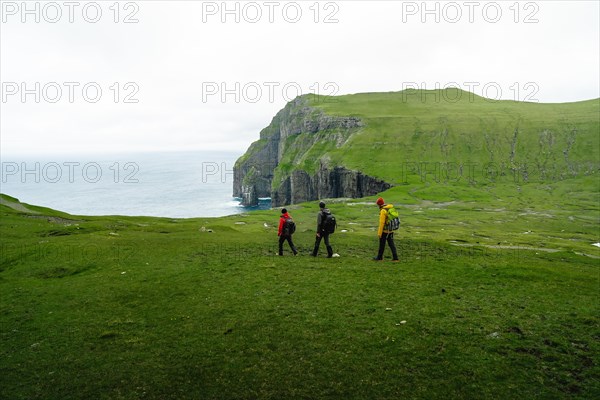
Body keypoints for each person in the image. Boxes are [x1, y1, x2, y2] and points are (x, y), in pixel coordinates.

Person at [374, 197, 399, 261]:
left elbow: (382, 223)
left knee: (382, 244)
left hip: (385, 230)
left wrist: (379, 233)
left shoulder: (383, 211)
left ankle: (379, 258)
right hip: (391, 229)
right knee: (391, 244)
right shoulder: (390, 208)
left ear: (379, 204)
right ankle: (395, 258)